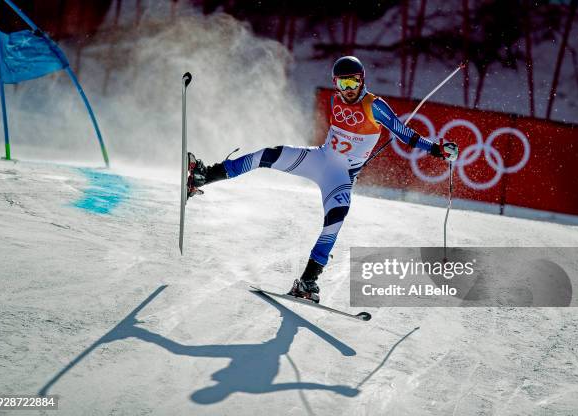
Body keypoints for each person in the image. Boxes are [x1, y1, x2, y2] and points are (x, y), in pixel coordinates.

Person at [187, 56, 458, 303]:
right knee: (267, 154)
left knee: (334, 222)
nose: (349, 88)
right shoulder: (334, 99)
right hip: (320, 160)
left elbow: (404, 133)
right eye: (343, 83)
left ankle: (308, 282)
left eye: (354, 82)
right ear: (335, 83)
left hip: (339, 177)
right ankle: (203, 175)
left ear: (362, 81)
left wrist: (437, 149)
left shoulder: (375, 106)